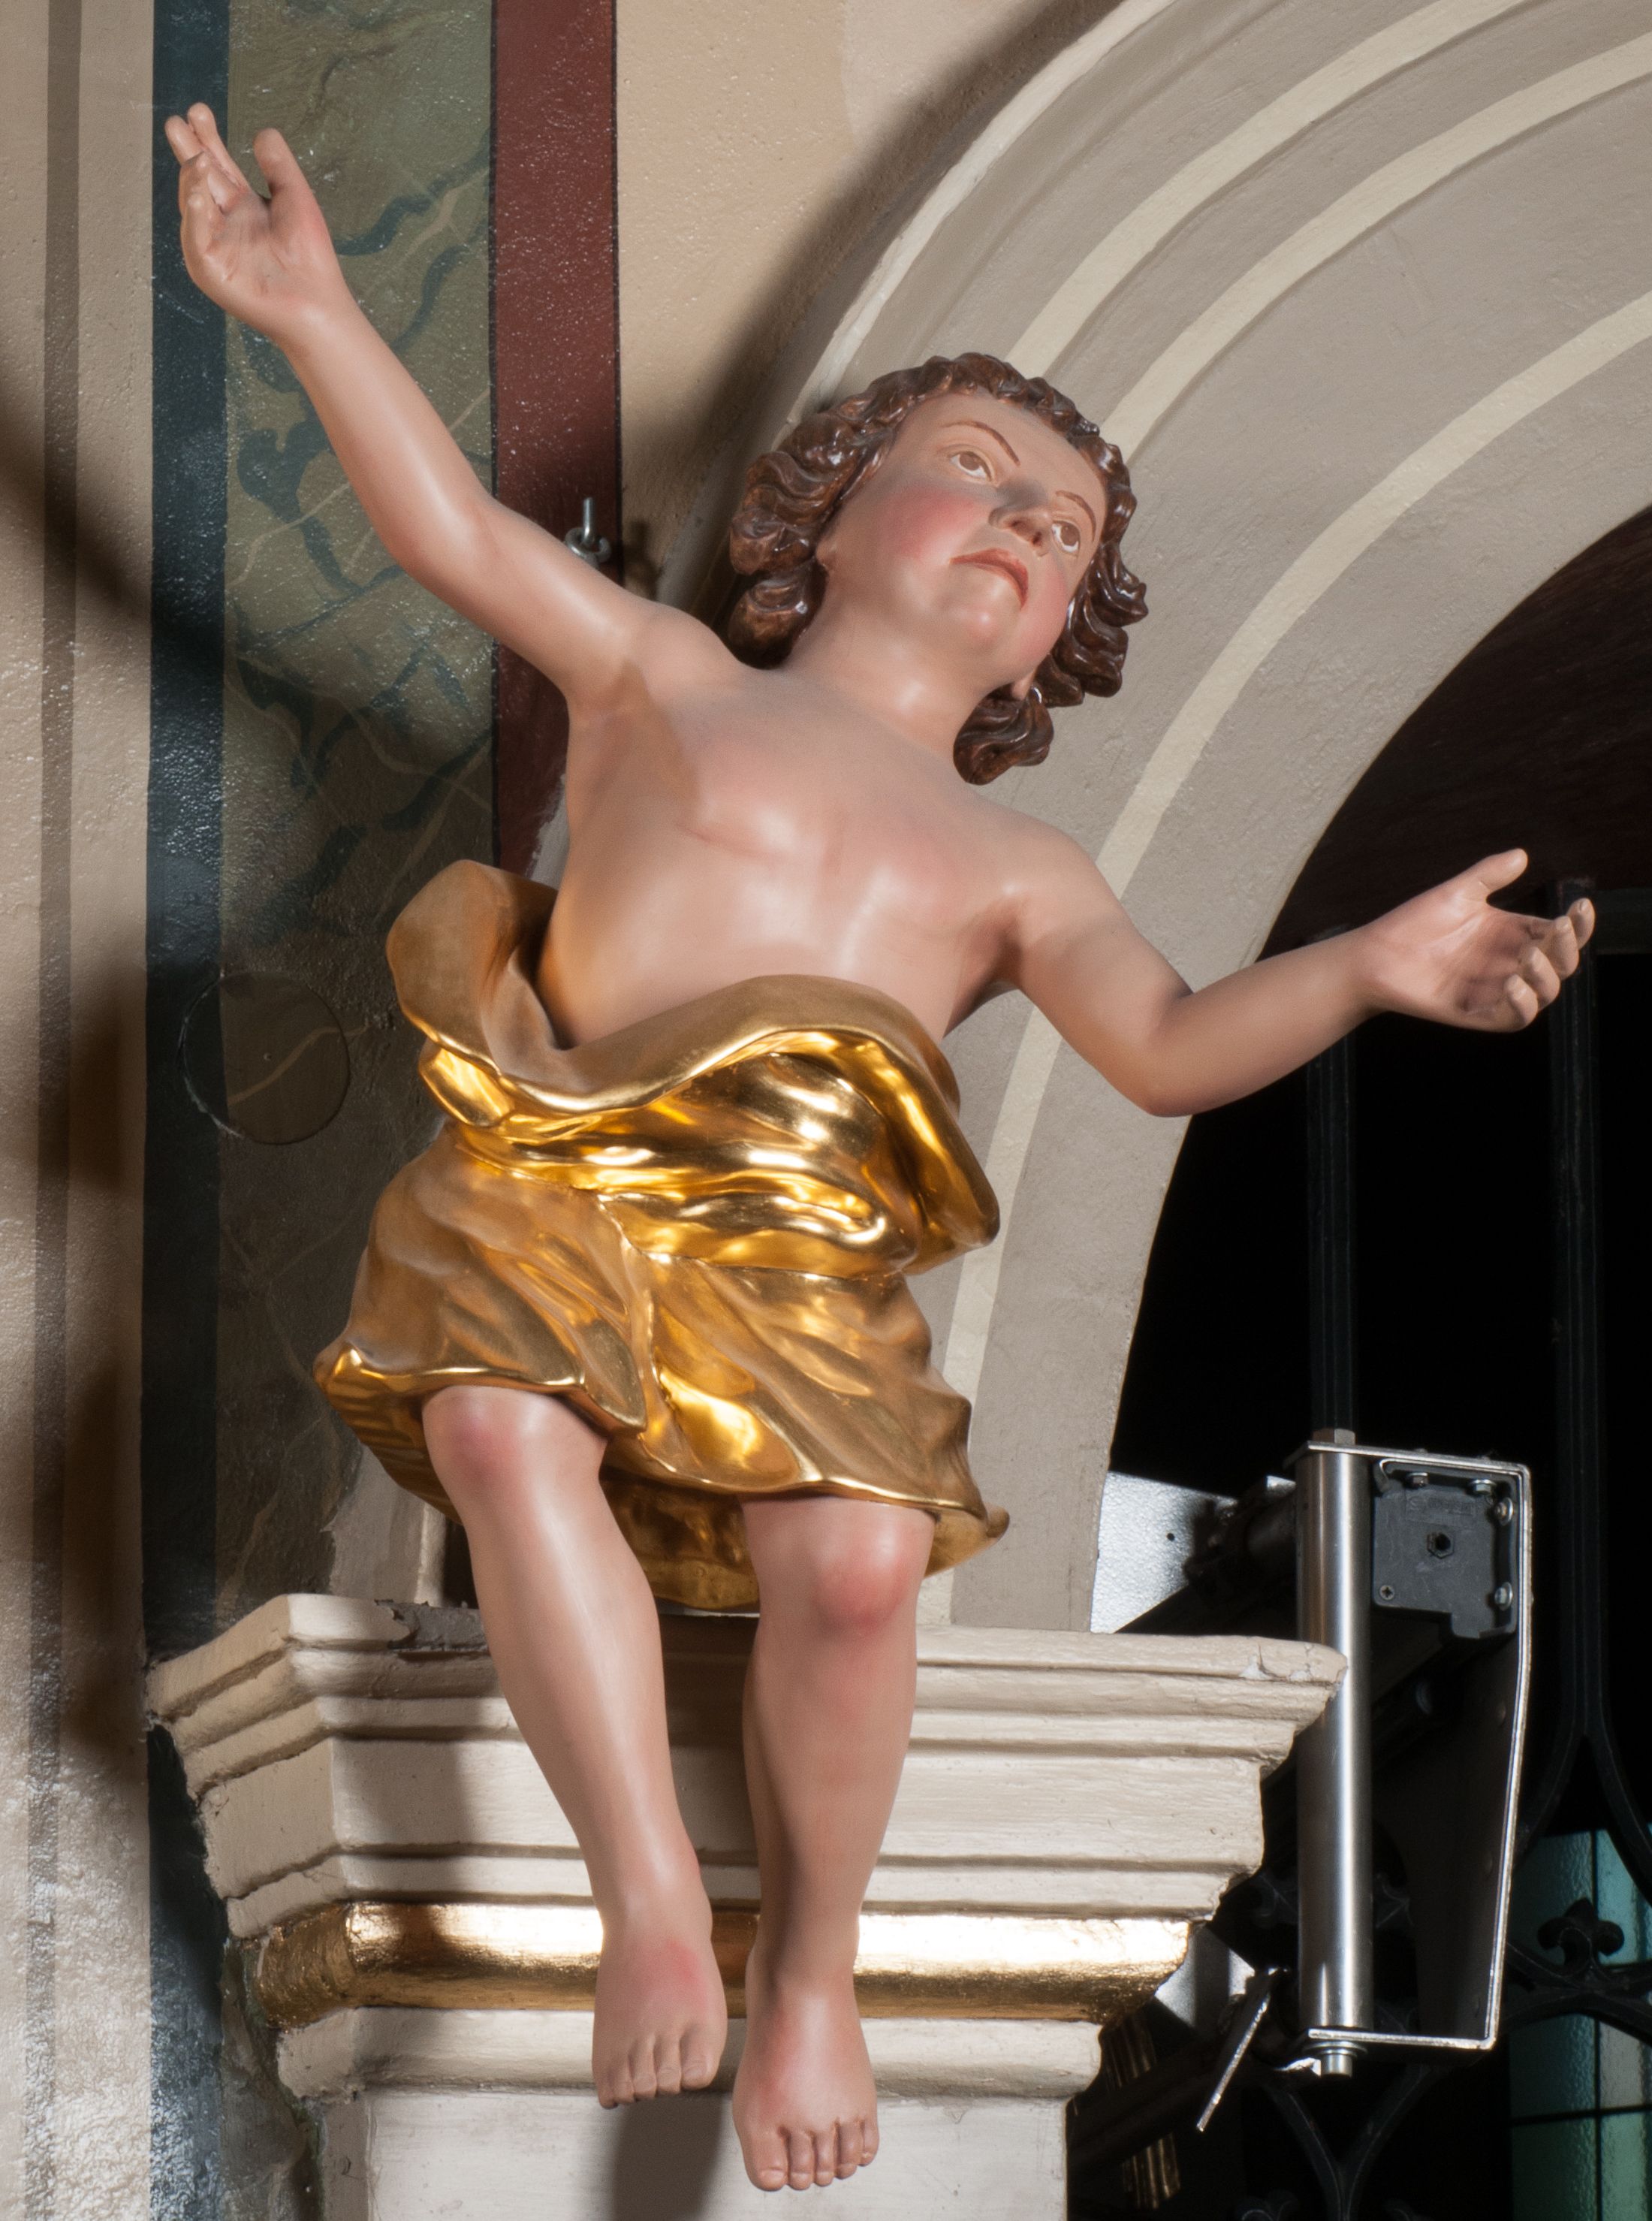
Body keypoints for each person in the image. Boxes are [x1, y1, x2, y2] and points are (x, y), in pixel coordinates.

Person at [165, 104, 1593, 2195]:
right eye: (979, 470)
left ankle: (812, 1971)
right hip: (566, 1176)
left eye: (1067, 534)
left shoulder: (1022, 865)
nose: (1025, 524)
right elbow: (452, 532)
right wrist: (306, 312)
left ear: (1058, 639)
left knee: (852, 1572)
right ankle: (652, 1891)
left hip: (803, 1264)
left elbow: (1169, 1051)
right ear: (826, 517)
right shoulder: (663, 678)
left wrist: (1366, 969)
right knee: (495, 1430)